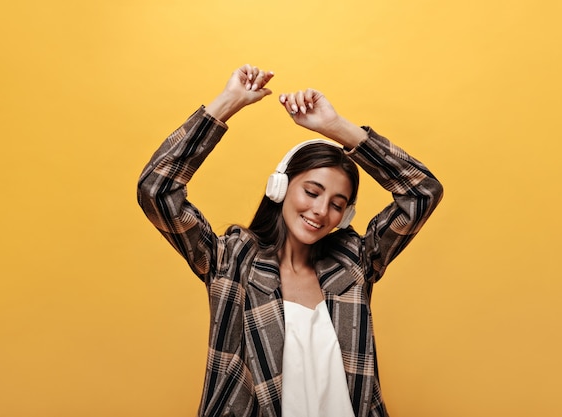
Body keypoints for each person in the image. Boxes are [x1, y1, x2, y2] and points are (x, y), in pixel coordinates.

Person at [137, 64, 443, 417]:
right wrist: (227, 104)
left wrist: (337, 128)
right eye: (311, 192)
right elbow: (156, 190)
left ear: (345, 217)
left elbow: (422, 192)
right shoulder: (231, 262)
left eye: (336, 204)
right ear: (279, 188)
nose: (320, 210)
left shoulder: (354, 263)